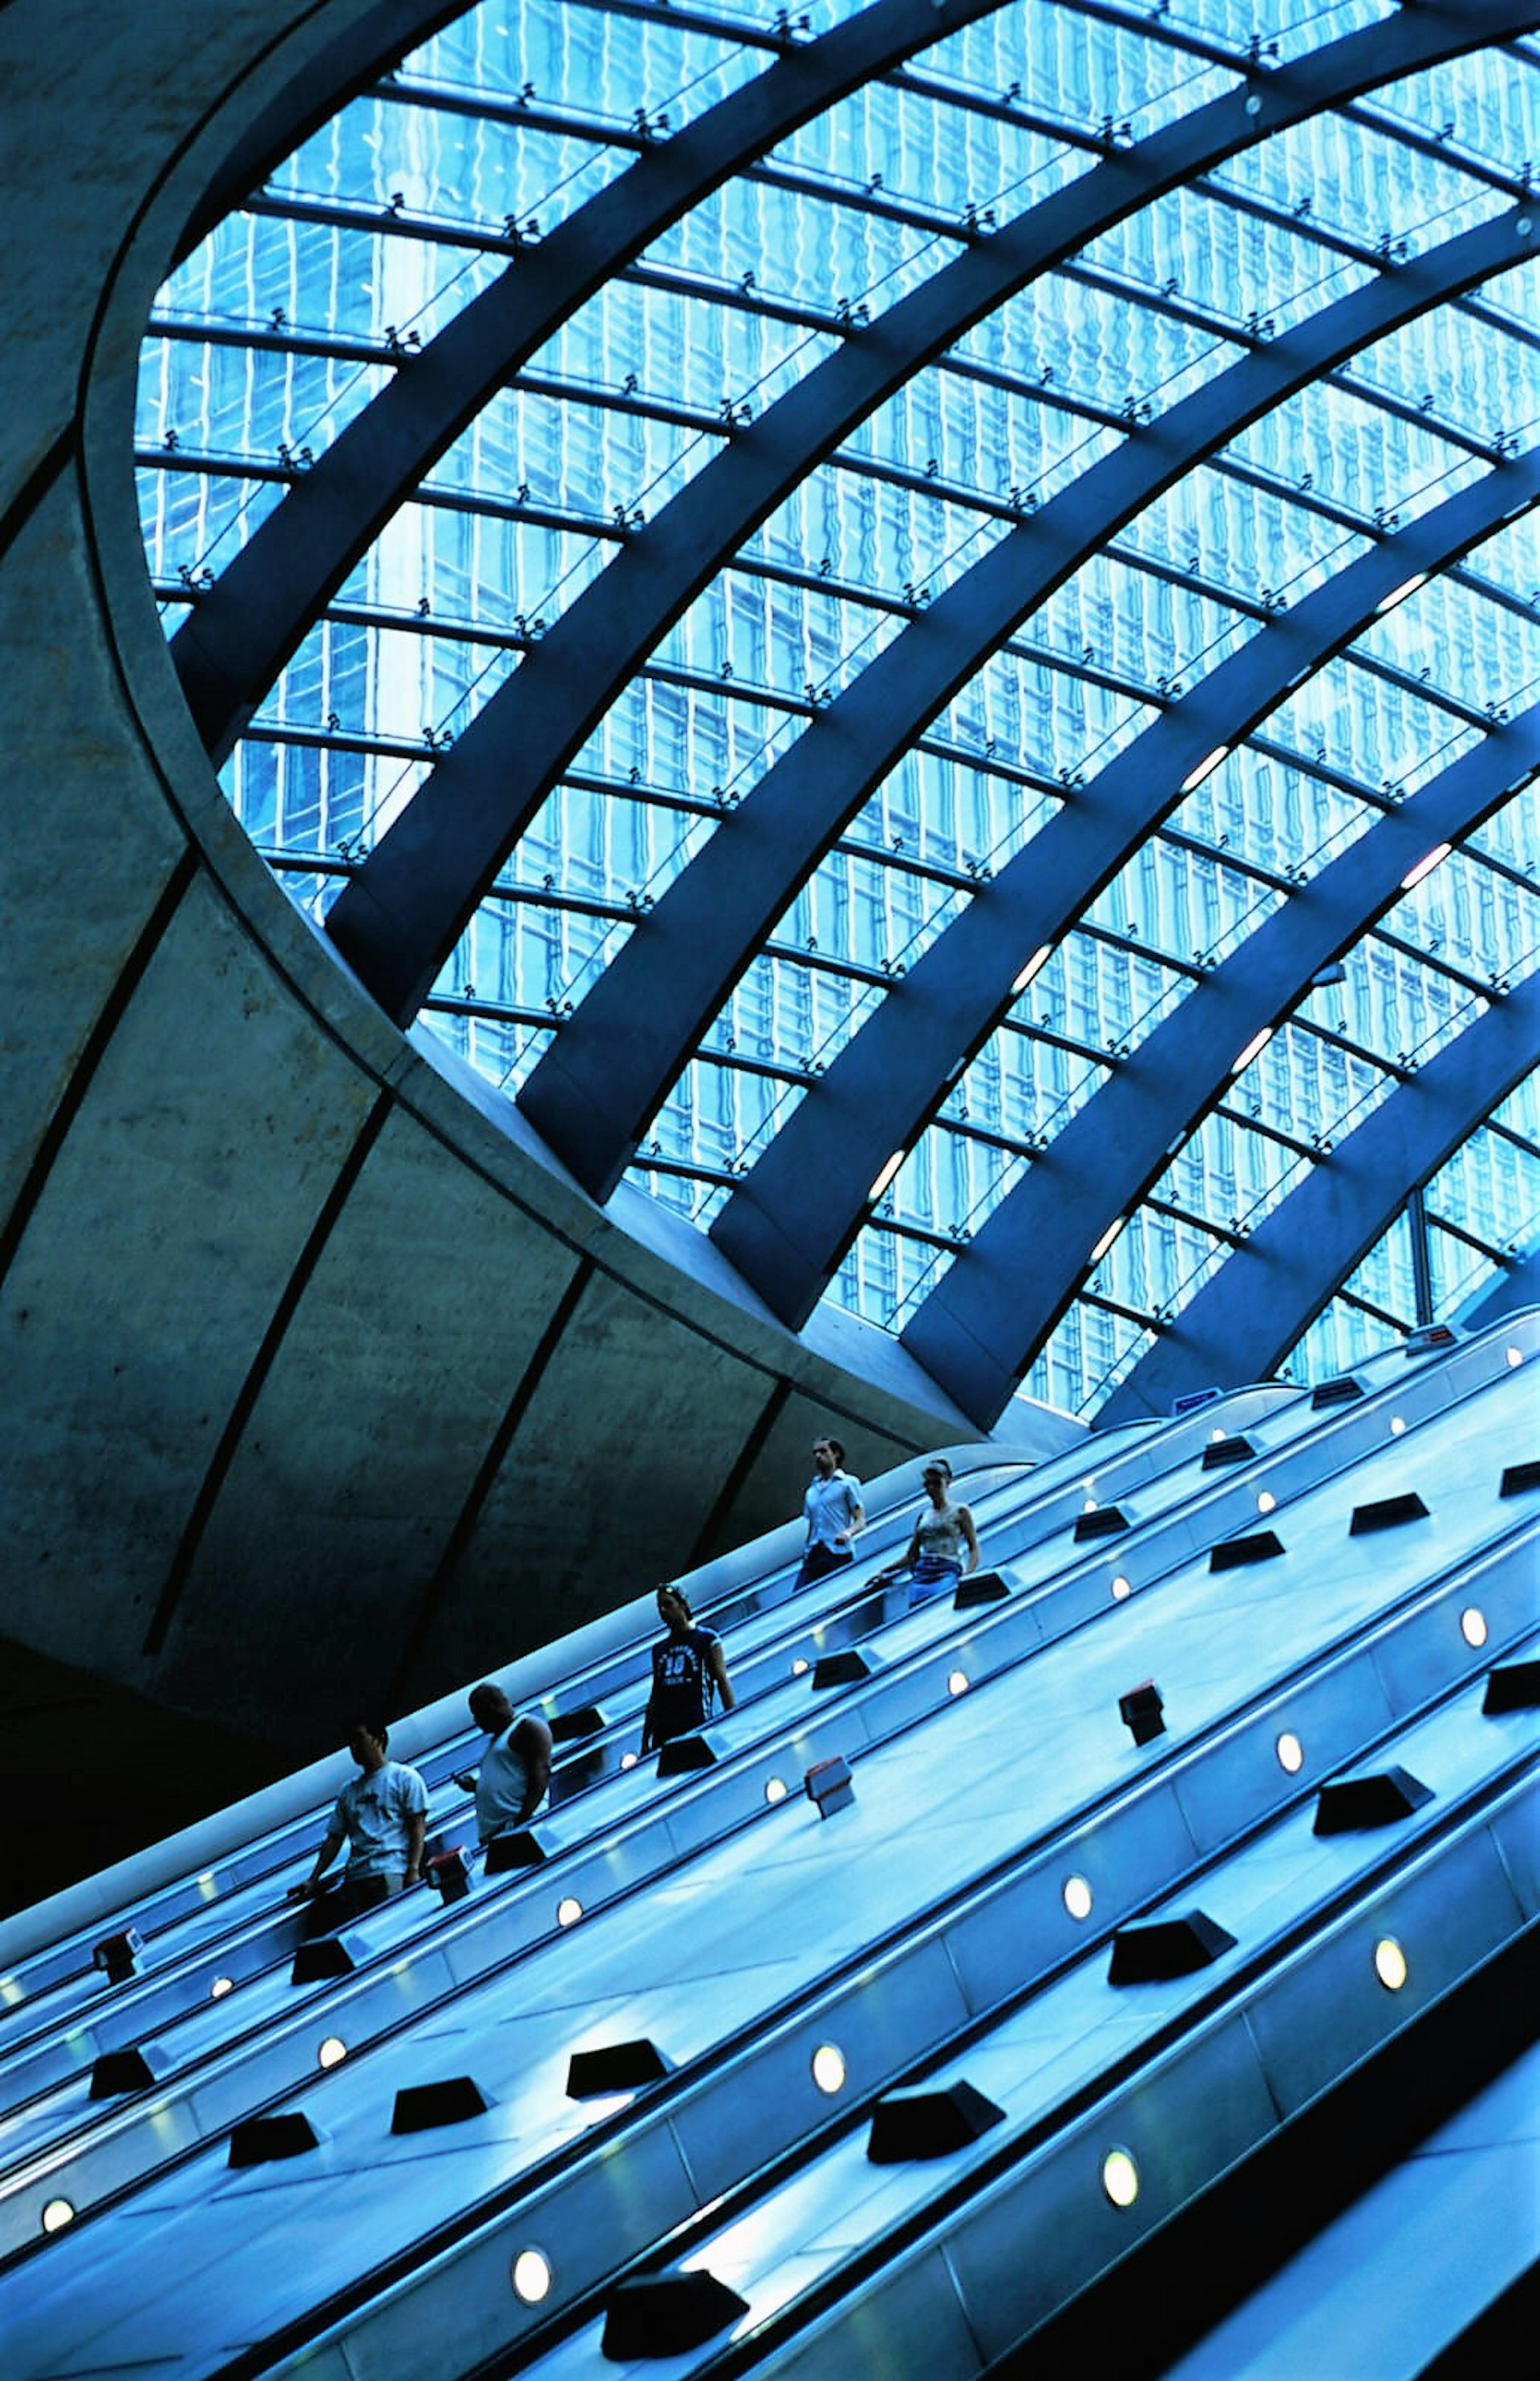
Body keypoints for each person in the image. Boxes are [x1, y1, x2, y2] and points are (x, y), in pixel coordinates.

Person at [298, 1717, 428, 1920]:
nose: (354, 1747)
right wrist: (314, 1878)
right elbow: (334, 1838)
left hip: (391, 1870)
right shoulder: (348, 1791)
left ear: (379, 1739)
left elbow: (417, 1827)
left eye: (359, 1739)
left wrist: (413, 1869)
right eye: (351, 1742)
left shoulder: (404, 1777)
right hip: (355, 1879)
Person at [640, 1584, 736, 1754]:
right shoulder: (659, 1649)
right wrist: (646, 1740)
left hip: (696, 1723)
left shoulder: (707, 1639)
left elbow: (721, 1680)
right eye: (660, 1607)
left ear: (683, 1605)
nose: (663, 1610)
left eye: (668, 1604)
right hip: (664, 1732)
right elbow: (655, 1696)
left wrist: (734, 1718)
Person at [873, 1458, 980, 1601]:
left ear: (947, 1482)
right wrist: (884, 1570)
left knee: (940, 1602)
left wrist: (968, 1574)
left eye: (936, 1483)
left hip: (947, 1568)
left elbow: (974, 1547)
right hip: (923, 1571)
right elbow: (912, 1554)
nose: (932, 1488)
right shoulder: (924, 1517)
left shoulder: (960, 1511)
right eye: (928, 1484)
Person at [464, 1682, 553, 1841]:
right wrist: (475, 1786)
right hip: (498, 1833)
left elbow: (541, 1772)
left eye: (477, 1713)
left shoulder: (527, 1727)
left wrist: (524, 1819)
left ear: (493, 1707)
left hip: (518, 1827)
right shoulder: (497, 1740)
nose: (476, 1720)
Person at [796, 1434, 865, 1587]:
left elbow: (860, 1520)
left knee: (838, 1594)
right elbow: (812, 1525)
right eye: (815, 1453)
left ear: (836, 1454)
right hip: (814, 1553)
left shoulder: (847, 1483)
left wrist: (848, 1533)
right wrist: (806, 1550)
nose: (818, 1456)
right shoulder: (812, 1490)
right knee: (800, 1595)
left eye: (823, 1451)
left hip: (838, 1552)